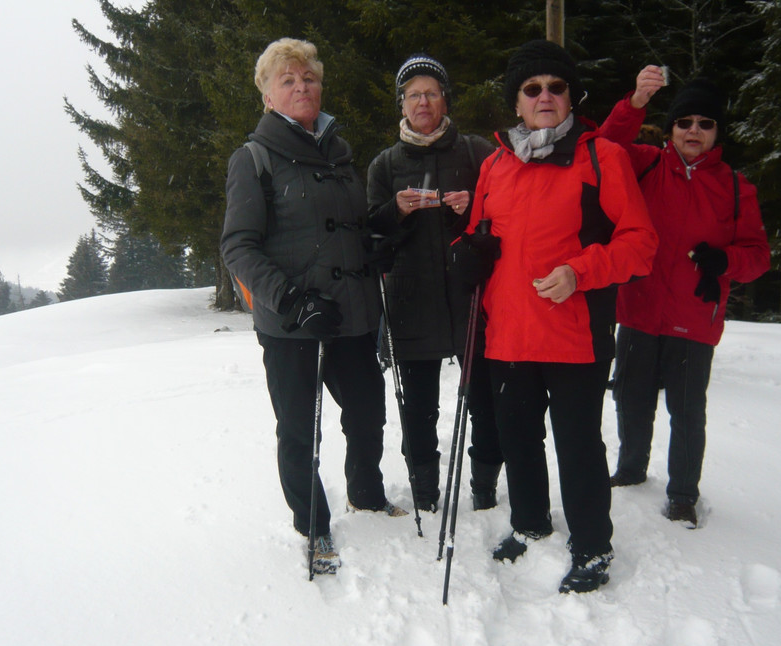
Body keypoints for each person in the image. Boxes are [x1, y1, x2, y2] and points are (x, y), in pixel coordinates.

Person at [451, 40, 659, 593]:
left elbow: (641, 244)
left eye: (556, 87)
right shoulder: (495, 165)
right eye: (532, 88)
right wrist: (466, 252)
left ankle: (591, 545)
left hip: (574, 335)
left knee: (578, 445)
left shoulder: (602, 157)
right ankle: (529, 523)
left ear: (571, 96)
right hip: (508, 333)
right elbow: (477, 233)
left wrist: (580, 271)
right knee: (518, 440)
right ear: (517, 101)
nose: (544, 96)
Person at [221, 38, 407, 577]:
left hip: (351, 315)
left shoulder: (338, 153)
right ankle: (312, 522)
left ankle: (366, 493)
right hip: (292, 323)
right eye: (288, 80)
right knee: (300, 429)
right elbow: (238, 246)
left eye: (309, 78)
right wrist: (292, 300)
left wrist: (373, 244)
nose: (301, 87)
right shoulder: (253, 159)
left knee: (367, 412)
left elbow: (345, 230)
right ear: (268, 95)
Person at [599, 67, 771, 527]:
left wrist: (725, 260)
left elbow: (758, 257)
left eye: (705, 123)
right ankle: (631, 469)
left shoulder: (736, 188)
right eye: (684, 122)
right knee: (630, 398)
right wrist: (635, 103)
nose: (694, 131)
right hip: (638, 309)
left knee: (688, 412)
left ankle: (682, 494)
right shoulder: (646, 164)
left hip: (694, 318)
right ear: (671, 127)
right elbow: (603, 148)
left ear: (717, 132)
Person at [366, 54, 503, 513]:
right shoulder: (385, 165)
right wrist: (396, 211)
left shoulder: (477, 152)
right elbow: (372, 234)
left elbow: (506, 217)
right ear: (402, 105)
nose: (422, 102)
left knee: (485, 402)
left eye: (431, 93)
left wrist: (474, 209)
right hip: (412, 301)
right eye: (413, 95)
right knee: (418, 411)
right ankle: (425, 491)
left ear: (445, 100)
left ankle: (484, 487)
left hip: (473, 298)